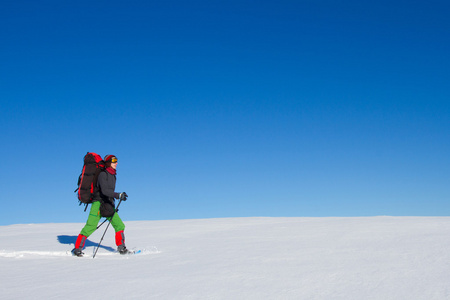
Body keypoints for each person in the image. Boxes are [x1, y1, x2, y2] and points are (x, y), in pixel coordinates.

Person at [72, 154, 130, 256]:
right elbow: (104, 191)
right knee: (91, 226)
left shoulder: (113, 175)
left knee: (119, 225)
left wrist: (114, 199)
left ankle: (121, 248)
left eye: (116, 161)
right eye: (114, 161)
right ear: (108, 163)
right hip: (98, 204)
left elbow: (109, 193)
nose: (116, 163)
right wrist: (118, 195)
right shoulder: (103, 175)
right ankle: (77, 248)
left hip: (107, 204)